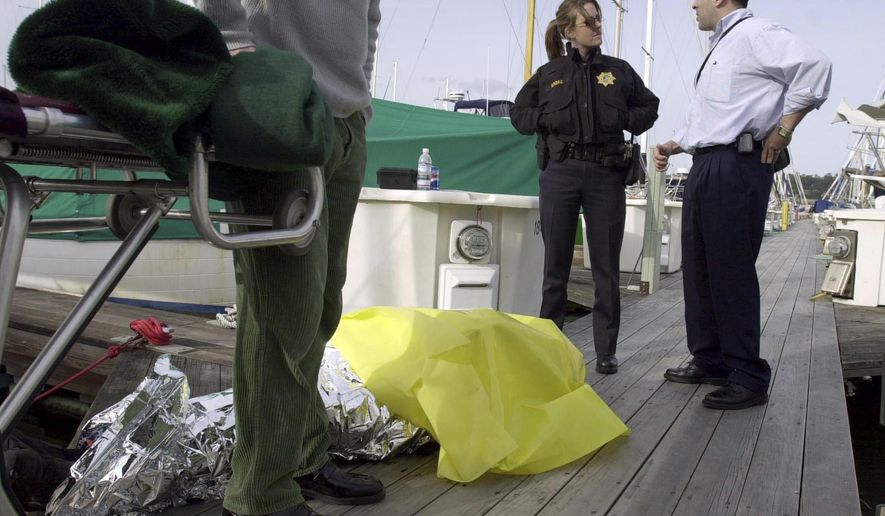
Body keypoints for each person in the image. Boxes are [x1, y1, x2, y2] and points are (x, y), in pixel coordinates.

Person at [194, 2, 383, 515]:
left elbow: (369, 17)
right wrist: (237, 50)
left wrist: (359, 97)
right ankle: (261, 494)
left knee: (321, 305)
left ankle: (301, 454)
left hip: (346, 123)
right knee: (281, 309)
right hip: (279, 105)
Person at [653, 0, 831, 410]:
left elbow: (816, 67)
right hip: (706, 163)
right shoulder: (722, 43)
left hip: (737, 164)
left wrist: (784, 129)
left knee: (729, 269)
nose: (692, 4)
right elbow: (713, 117)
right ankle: (710, 358)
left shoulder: (756, 33)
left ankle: (747, 375)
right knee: (699, 267)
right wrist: (675, 144)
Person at [510, 0, 659, 374]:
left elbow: (650, 107)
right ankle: (550, 347)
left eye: (598, 19)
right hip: (560, 173)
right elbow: (519, 114)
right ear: (569, 31)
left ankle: (605, 351)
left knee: (606, 269)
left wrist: (624, 117)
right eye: (589, 21)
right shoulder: (549, 74)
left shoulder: (619, 72)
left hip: (606, 175)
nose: (597, 25)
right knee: (555, 267)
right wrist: (546, 119)